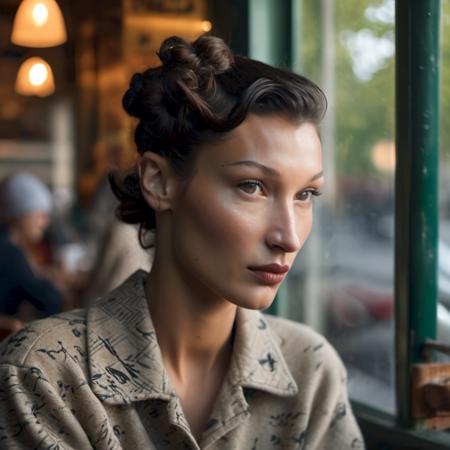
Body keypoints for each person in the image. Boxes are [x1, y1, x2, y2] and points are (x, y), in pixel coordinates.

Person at [0, 35, 365, 449]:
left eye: (305, 195)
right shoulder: (43, 373)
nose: (290, 236)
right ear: (158, 181)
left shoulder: (311, 370)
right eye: (252, 186)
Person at [0, 173, 63, 333]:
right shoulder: (8, 252)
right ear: (22, 214)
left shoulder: (10, 246)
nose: (45, 222)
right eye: (41, 214)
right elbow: (49, 299)